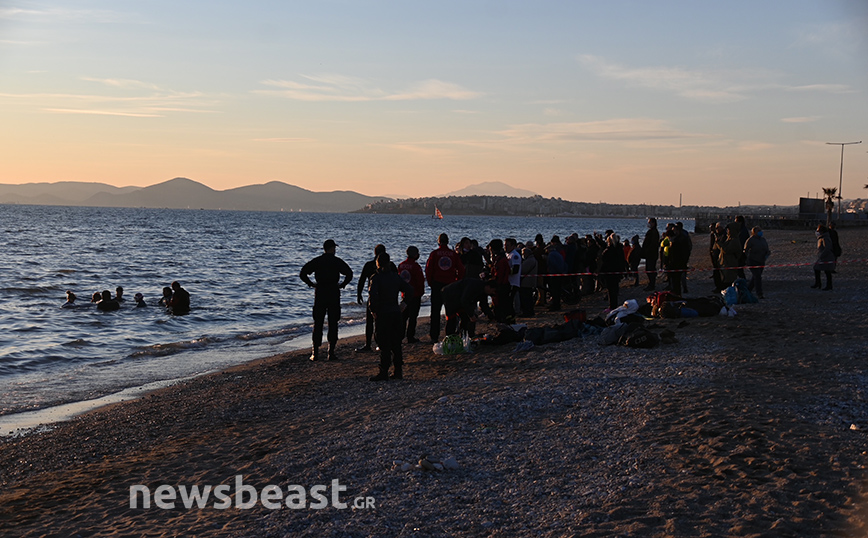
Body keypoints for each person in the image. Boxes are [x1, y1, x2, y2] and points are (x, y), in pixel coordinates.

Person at [300, 239, 353, 361]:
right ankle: (331, 352)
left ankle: (315, 352)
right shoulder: (336, 261)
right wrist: (342, 285)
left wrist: (311, 284)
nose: (335, 250)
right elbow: (349, 273)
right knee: (333, 323)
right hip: (333, 292)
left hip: (320, 292)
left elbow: (303, 273)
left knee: (318, 322)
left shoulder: (317, 261)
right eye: (334, 248)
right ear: (331, 248)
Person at [368, 252, 414, 381]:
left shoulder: (376, 278)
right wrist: (404, 303)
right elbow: (409, 289)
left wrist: (373, 310)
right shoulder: (395, 277)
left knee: (384, 344)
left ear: (378, 263)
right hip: (395, 312)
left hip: (383, 313)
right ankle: (398, 371)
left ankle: (384, 372)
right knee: (396, 344)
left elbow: (373, 296)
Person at [425, 233, 465, 342]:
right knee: (450, 311)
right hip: (450, 285)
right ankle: (449, 334)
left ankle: (434, 335)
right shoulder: (453, 254)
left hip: (437, 284)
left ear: (439, 241)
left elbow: (428, 269)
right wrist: (457, 280)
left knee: (435, 312)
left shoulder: (434, 254)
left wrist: (430, 283)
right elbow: (461, 269)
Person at [356, 244, 387, 353]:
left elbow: (362, 280)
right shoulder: (390, 266)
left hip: (373, 296)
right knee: (382, 321)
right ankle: (380, 343)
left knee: (370, 321)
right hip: (385, 297)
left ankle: (368, 344)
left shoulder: (369, 265)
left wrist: (359, 293)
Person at [398, 246, 425, 343]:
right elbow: (420, 281)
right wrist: (421, 292)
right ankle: (410, 336)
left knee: (403, 317)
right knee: (413, 317)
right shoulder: (416, 266)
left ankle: (400, 335)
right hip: (415, 295)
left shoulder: (401, 265)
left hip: (404, 296)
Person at [599, 234, 625, 310]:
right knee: (614, 290)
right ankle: (613, 305)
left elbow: (605, 261)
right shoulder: (619, 249)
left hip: (610, 272)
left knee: (611, 290)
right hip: (617, 272)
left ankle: (612, 306)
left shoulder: (609, 251)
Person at [743, 226, 770, 299]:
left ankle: (748, 290)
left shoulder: (763, 240)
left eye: (760, 230)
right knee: (757, 276)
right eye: (758, 231)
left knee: (755, 277)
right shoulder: (750, 240)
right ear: (754, 232)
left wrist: (767, 255)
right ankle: (759, 293)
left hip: (761, 261)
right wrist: (747, 258)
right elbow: (745, 250)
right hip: (753, 261)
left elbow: (767, 249)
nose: (760, 232)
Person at [716, 223, 741, 289]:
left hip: (730, 264)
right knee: (724, 281)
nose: (727, 231)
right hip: (725, 263)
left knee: (728, 283)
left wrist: (719, 243)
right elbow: (722, 248)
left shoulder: (734, 240)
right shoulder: (729, 239)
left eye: (728, 230)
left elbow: (726, 250)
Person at [812, 224, 835, 291]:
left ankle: (827, 285)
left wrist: (821, 255)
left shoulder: (825, 238)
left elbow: (827, 248)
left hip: (826, 257)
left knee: (826, 271)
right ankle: (818, 283)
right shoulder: (822, 237)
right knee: (819, 269)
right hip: (824, 257)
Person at [519, 246, 538, 317]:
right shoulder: (532, 260)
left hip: (526, 282)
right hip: (529, 282)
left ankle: (527, 312)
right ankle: (529, 311)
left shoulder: (529, 261)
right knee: (528, 298)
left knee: (526, 298)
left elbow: (523, 270)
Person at [642, 218, 660, 291]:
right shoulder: (652, 231)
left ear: (653, 223)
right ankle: (651, 283)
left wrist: (647, 251)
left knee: (650, 269)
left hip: (651, 254)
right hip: (650, 254)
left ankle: (652, 284)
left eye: (649, 222)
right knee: (649, 269)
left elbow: (653, 244)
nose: (648, 224)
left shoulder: (654, 232)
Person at [709, 222, 726, 292]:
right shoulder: (715, 235)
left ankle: (720, 286)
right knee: (716, 272)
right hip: (715, 255)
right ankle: (718, 286)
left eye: (717, 228)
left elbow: (722, 246)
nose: (716, 229)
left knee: (720, 273)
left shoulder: (723, 236)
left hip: (720, 256)